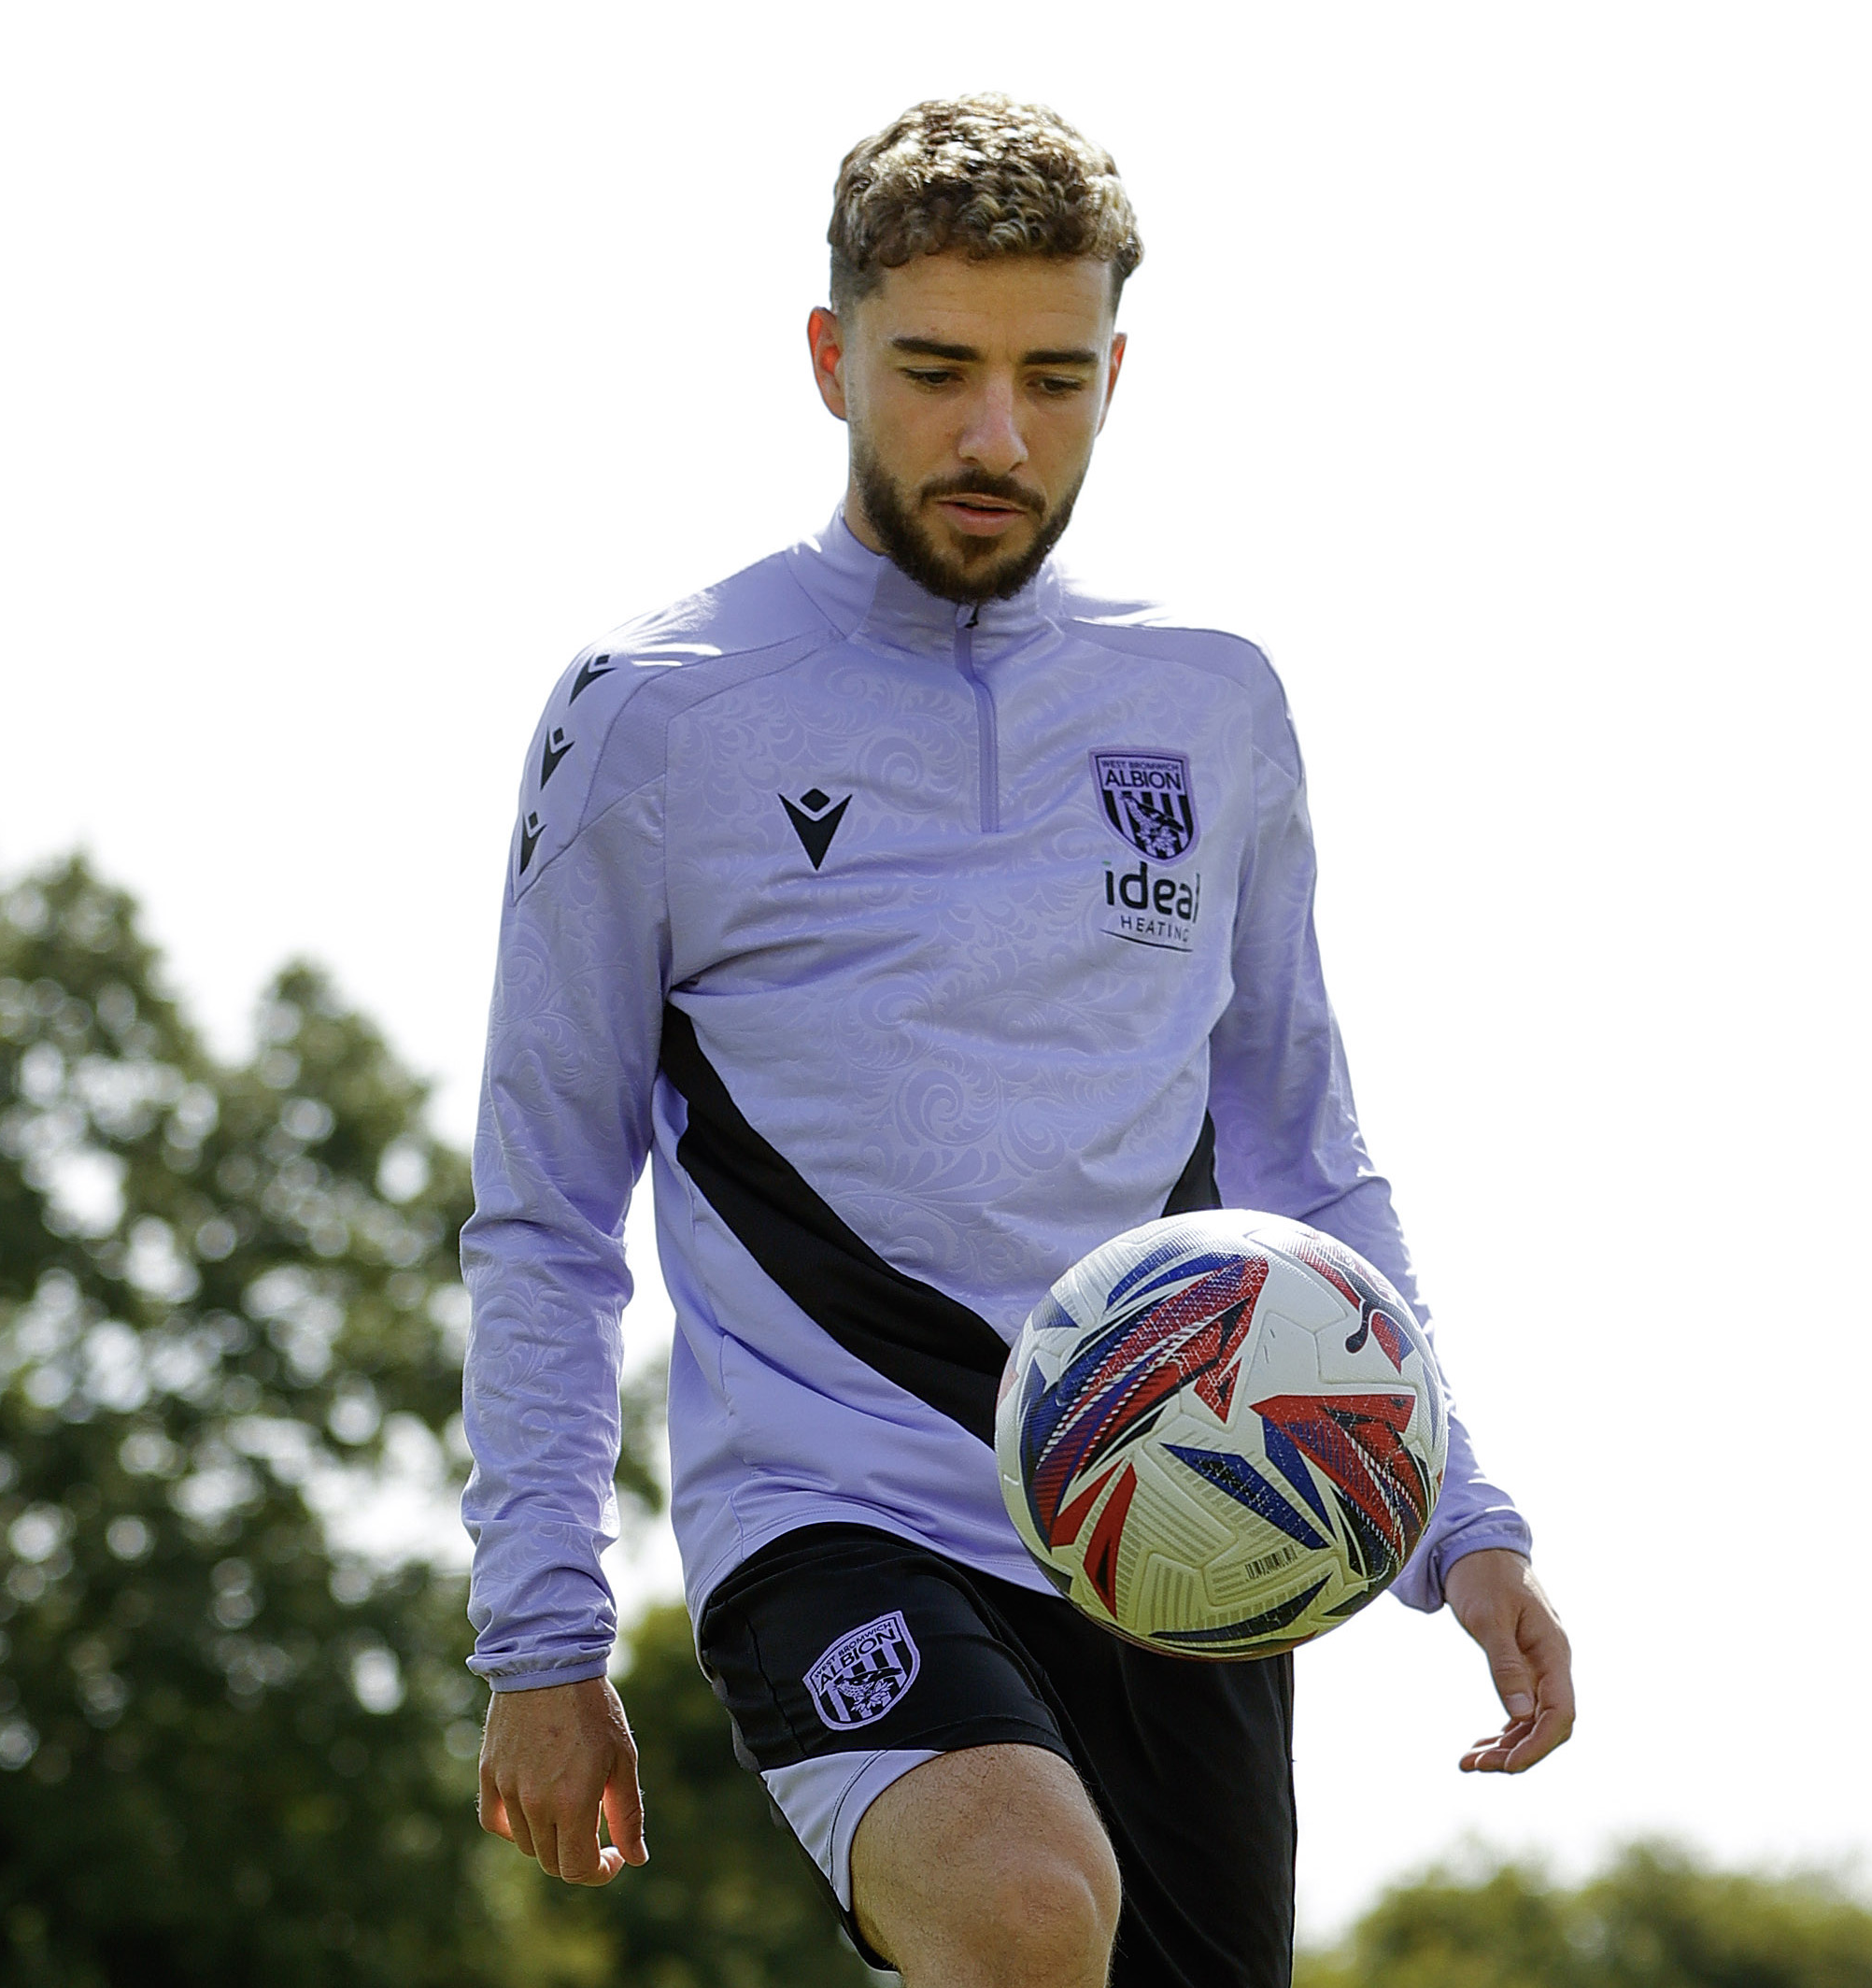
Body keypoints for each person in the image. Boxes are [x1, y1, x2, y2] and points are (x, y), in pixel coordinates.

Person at [461, 93, 1575, 1988]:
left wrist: (1455, 1512)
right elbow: (550, 1201)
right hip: (840, 1497)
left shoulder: (1210, 699)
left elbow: (1305, 1150)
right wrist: (541, 1632)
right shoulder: (656, 712)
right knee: (1027, 1905)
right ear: (831, 357)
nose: (997, 435)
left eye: (1054, 379)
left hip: (1198, 1517)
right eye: (938, 370)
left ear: (1117, 372)